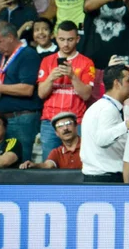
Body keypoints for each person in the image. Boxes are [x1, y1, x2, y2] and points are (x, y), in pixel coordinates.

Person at [0, 21, 42, 162]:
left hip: (22, 119)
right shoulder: (7, 56)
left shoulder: (27, 55)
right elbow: (10, 78)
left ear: (10, 37)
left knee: (21, 164)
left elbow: (27, 89)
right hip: (7, 119)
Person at [80, 64, 129, 182]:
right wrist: (127, 125)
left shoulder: (99, 106)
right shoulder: (108, 109)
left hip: (96, 176)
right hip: (105, 178)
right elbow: (101, 139)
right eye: (128, 81)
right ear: (117, 83)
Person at [37, 21, 94, 158]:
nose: (66, 44)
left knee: (79, 163)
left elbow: (86, 95)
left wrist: (73, 76)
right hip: (50, 122)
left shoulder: (87, 62)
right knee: (49, 163)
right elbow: (41, 94)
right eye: (62, 39)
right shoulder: (47, 61)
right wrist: (51, 78)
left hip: (76, 122)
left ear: (77, 39)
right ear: (56, 38)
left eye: (70, 39)